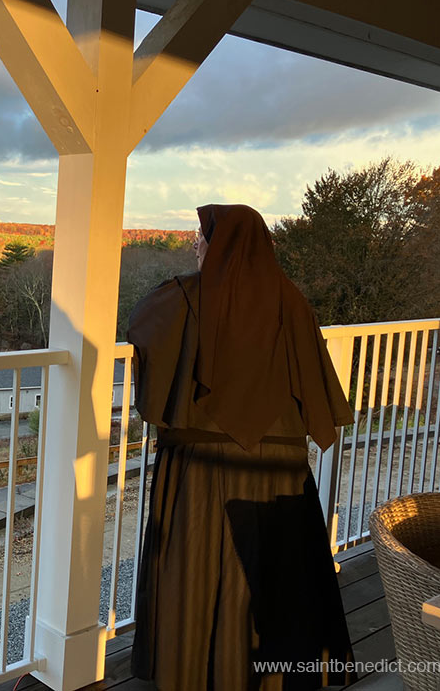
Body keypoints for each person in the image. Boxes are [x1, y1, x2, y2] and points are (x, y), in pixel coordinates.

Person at [126, 204, 355, 691]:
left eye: (202, 236)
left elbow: (144, 336)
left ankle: (188, 669)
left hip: (199, 471)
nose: (195, 244)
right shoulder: (290, 301)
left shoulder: (182, 297)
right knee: (274, 573)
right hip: (278, 470)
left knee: (196, 567)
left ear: (223, 243)